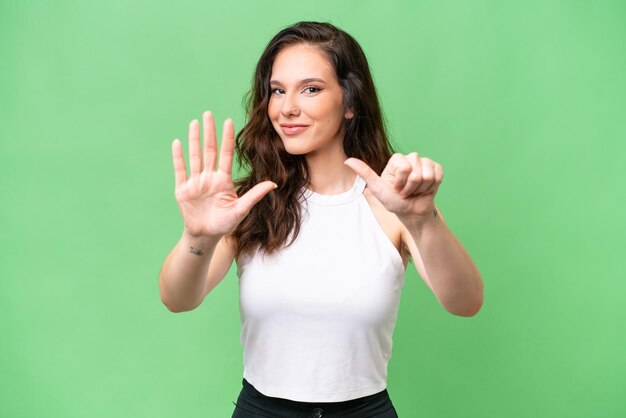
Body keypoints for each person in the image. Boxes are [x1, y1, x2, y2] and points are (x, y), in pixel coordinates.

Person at [159, 21, 483, 418]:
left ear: (350, 103)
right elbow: (177, 299)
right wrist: (199, 236)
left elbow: (466, 303)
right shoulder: (247, 203)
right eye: (277, 90)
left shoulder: (396, 204)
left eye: (310, 89)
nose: (287, 107)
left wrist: (424, 220)